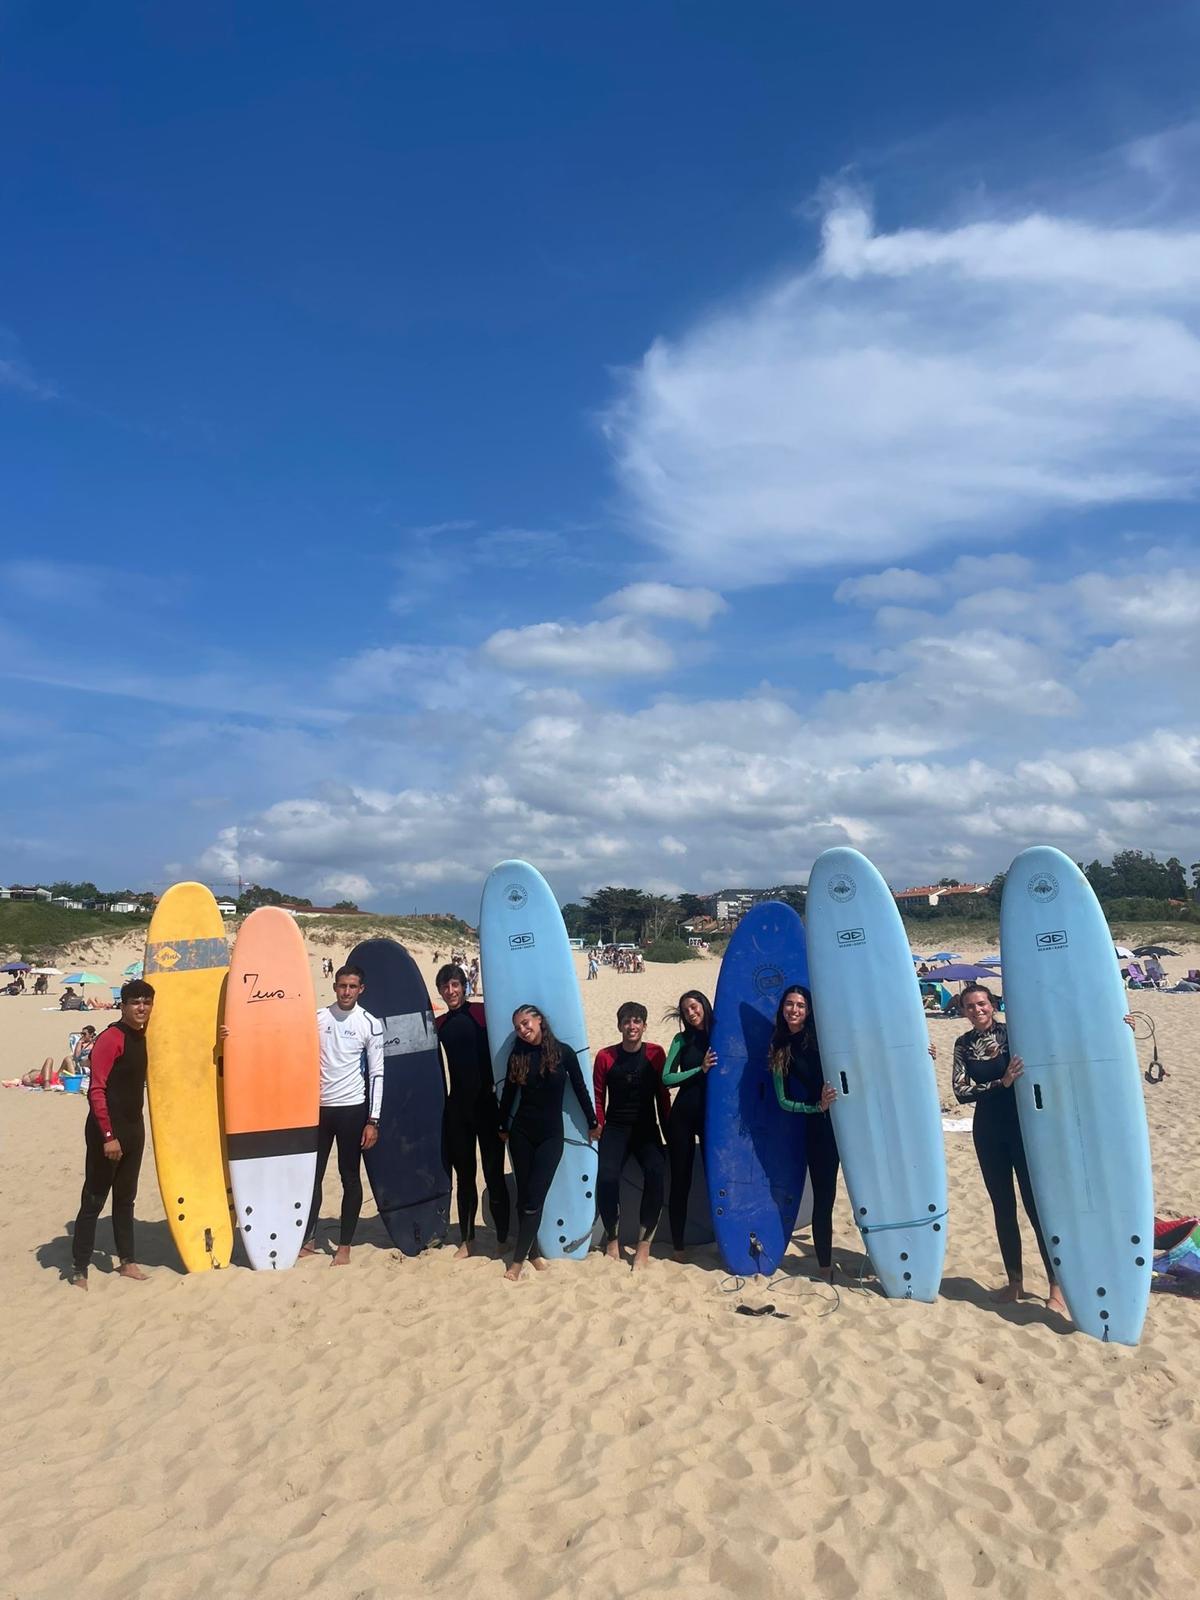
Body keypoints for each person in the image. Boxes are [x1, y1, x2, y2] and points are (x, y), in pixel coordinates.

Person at [952, 983, 1067, 1316]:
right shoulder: (963, 1044)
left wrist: (1121, 1022)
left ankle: (1055, 1286)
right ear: (963, 1011)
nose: (977, 1010)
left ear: (993, 1004)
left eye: (982, 1004)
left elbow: (1057, 1040)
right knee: (1003, 1207)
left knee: (1036, 1207)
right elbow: (960, 1090)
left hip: (1025, 1129)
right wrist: (1000, 1083)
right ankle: (1014, 1282)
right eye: (970, 1006)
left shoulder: (1015, 1033)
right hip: (988, 1131)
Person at [497, 1005, 597, 1282]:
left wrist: (592, 1122)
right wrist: (502, 1125)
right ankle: (532, 1252)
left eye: (526, 1023)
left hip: (551, 1136)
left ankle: (516, 1262)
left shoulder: (563, 1053)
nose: (523, 1030)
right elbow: (508, 1094)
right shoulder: (517, 1055)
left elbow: (579, 1088)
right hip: (521, 1134)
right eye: (518, 1027)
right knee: (525, 1196)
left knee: (534, 1199)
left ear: (539, 1020)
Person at [70, 982, 156, 1290]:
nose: (141, 1007)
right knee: (93, 1199)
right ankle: (80, 1268)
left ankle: (127, 1261)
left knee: (125, 1199)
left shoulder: (145, 1036)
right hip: (106, 1132)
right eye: (135, 1002)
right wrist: (108, 1135)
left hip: (134, 1129)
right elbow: (96, 1090)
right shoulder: (111, 1038)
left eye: (146, 1002)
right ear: (123, 1005)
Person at [301, 964, 384, 1267]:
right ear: (334, 986)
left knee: (349, 1176)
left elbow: (377, 1073)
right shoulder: (318, 1019)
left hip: (352, 1110)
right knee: (314, 1176)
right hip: (319, 1110)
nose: (346, 992)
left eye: (352, 987)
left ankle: (345, 1245)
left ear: (361, 989)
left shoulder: (369, 1024)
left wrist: (373, 1120)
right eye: (342, 986)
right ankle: (309, 1236)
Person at [435, 962, 510, 1258]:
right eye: (445, 986)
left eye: (455, 985)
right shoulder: (439, 1025)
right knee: (464, 1177)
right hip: (458, 1110)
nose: (450, 991)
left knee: (494, 1174)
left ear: (465, 986)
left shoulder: (484, 1013)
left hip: (488, 1108)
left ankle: (503, 1238)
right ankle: (468, 1240)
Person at [769, 987, 841, 1281]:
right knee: (824, 1198)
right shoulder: (780, 1048)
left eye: (800, 1005)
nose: (794, 1010)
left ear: (809, 1010)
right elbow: (783, 1100)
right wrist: (816, 1107)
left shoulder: (824, 1035)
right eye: (789, 1004)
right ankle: (825, 1267)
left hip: (851, 1123)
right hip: (820, 1125)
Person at [592, 1002, 669, 1269]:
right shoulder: (605, 1056)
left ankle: (643, 1245)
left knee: (656, 1171)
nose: (632, 1026)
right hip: (615, 1128)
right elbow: (599, 1096)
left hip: (647, 1128)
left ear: (644, 1026)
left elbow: (663, 1094)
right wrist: (598, 1125)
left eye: (637, 1021)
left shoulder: (656, 1054)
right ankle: (612, 1240)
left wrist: (667, 1127)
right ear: (619, 1026)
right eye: (627, 1021)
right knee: (607, 1177)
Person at [661, 990, 717, 1260]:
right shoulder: (681, 1040)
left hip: (713, 1118)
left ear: (704, 1005)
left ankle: (724, 1237)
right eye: (686, 1011)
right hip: (683, 1116)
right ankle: (679, 1245)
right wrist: (700, 1069)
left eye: (694, 1007)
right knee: (680, 1182)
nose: (691, 1013)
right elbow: (667, 1078)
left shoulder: (720, 1034)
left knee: (716, 1178)